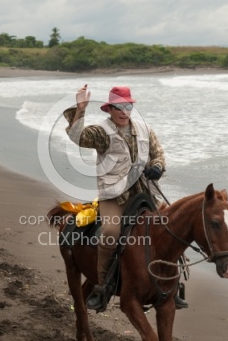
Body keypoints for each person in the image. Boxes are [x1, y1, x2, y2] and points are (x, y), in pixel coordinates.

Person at [64, 84, 188, 312]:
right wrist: (79, 109)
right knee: (110, 234)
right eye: (119, 107)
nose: (124, 112)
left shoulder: (144, 129)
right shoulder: (101, 133)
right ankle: (102, 287)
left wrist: (158, 167)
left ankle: (173, 286)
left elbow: (158, 152)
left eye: (127, 106)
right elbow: (77, 137)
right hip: (114, 197)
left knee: (171, 230)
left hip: (143, 194)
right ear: (109, 109)